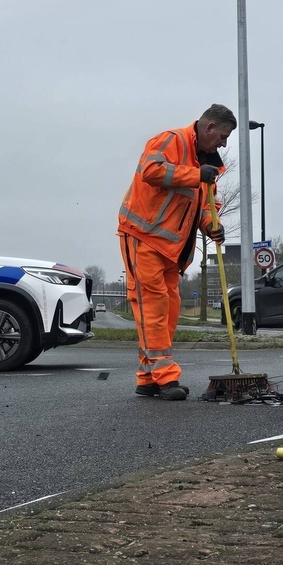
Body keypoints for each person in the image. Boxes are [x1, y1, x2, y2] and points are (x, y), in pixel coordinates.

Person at [118, 104, 233, 401]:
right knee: (152, 307)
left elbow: (207, 205)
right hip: (143, 236)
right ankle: (167, 378)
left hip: (172, 249)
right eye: (222, 136)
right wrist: (196, 174)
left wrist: (212, 226)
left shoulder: (207, 164)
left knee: (167, 310)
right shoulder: (171, 140)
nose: (223, 143)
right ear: (207, 128)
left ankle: (147, 377)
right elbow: (151, 171)